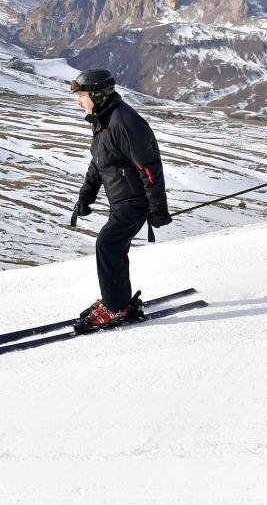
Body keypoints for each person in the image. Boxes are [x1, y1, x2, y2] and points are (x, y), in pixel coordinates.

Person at [70, 68, 172, 333]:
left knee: (108, 243)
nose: (77, 101)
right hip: (122, 200)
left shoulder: (124, 121)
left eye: (81, 95)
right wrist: (85, 197)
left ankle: (116, 307)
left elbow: (148, 167)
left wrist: (158, 209)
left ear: (97, 95)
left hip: (135, 200)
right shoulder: (104, 120)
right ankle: (116, 300)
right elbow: (99, 162)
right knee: (111, 245)